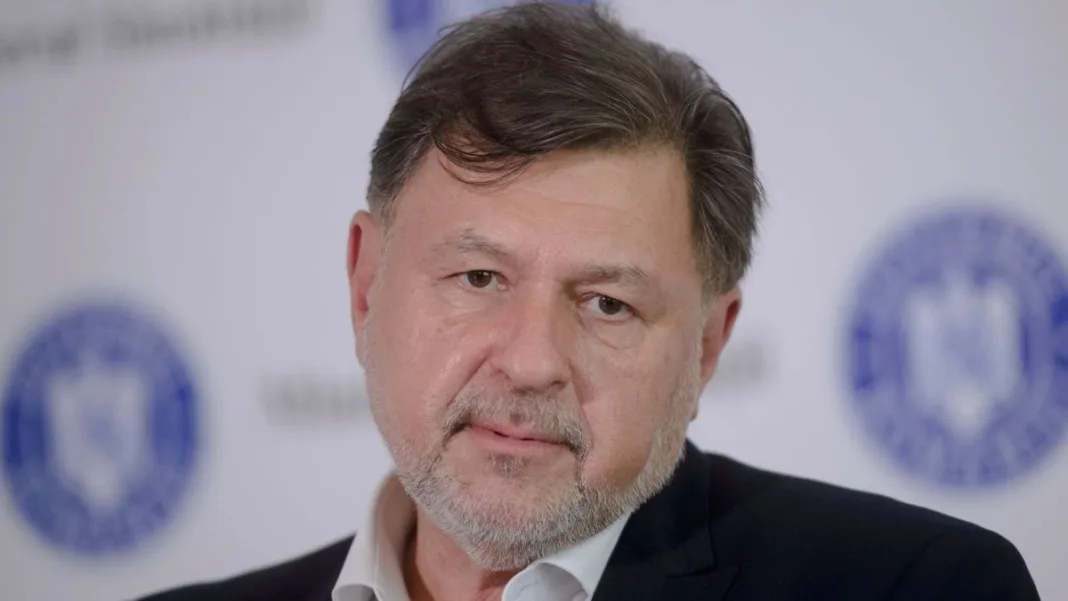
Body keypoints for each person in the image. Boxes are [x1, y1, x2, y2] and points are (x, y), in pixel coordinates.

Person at [137, 2, 1040, 600]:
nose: (531, 360)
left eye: (607, 303)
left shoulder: (915, 590)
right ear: (367, 283)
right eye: (479, 278)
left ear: (707, 346)